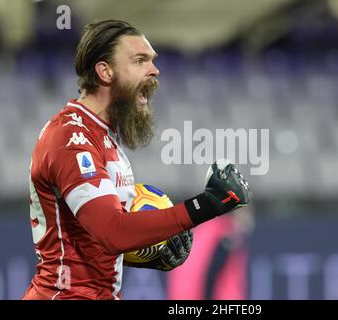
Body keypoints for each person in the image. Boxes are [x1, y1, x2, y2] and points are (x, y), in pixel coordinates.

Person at [23, 19, 252, 300]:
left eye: (152, 61)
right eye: (140, 60)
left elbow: (92, 240)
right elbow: (111, 231)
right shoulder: (72, 138)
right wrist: (205, 205)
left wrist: (148, 249)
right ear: (105, 72)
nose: (154, 70)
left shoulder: (102, 136)